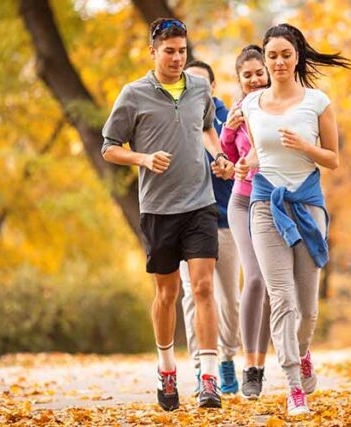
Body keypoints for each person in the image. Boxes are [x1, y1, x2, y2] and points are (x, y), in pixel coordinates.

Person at [101, 17, 234, 411]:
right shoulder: (133, 94)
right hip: (158, 209)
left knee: (205, 287)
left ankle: (208, 379)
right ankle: (166, 368)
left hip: (200, 204)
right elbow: (109, 147)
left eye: (182, 51)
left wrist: (221, 157)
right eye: (170, 51)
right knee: (167, 293)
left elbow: (208, 130)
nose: (177, 58)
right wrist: (142, 157)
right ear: (153, 52)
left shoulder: (198, 89)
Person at [235, 23, 351, 416]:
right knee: (281, 298)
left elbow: (334, 159)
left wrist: (306, 146)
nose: (279, 62)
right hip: (266, 204)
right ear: (264, 60)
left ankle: (302, 354)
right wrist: (242, 163)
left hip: (307, 206)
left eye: (286, 54)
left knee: (307, 308)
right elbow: (259, 154)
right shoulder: (251, 105)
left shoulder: (317, 102)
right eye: (272, 56)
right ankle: (292, 385)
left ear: (297, 55)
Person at [179, 60, 241, 395]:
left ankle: (228, 357)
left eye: (203, 83)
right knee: (194, 296)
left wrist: (228, 166)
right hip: (187, 220)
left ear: (213, 88)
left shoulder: (230, 118)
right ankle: (204, 368)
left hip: (226, 221)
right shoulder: (177, 116)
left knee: (230, 299)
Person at [220, 45, 272, 399]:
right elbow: (231, 155)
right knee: (254, 277)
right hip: (242, 200)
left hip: (274, 200)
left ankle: (269, 361)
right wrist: (229, 127)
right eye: (247, 75)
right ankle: (250, 368)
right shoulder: (236, 109)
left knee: (273, 284)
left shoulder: (280, 105)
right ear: (239, 79)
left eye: (259, 73)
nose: (254, 79)